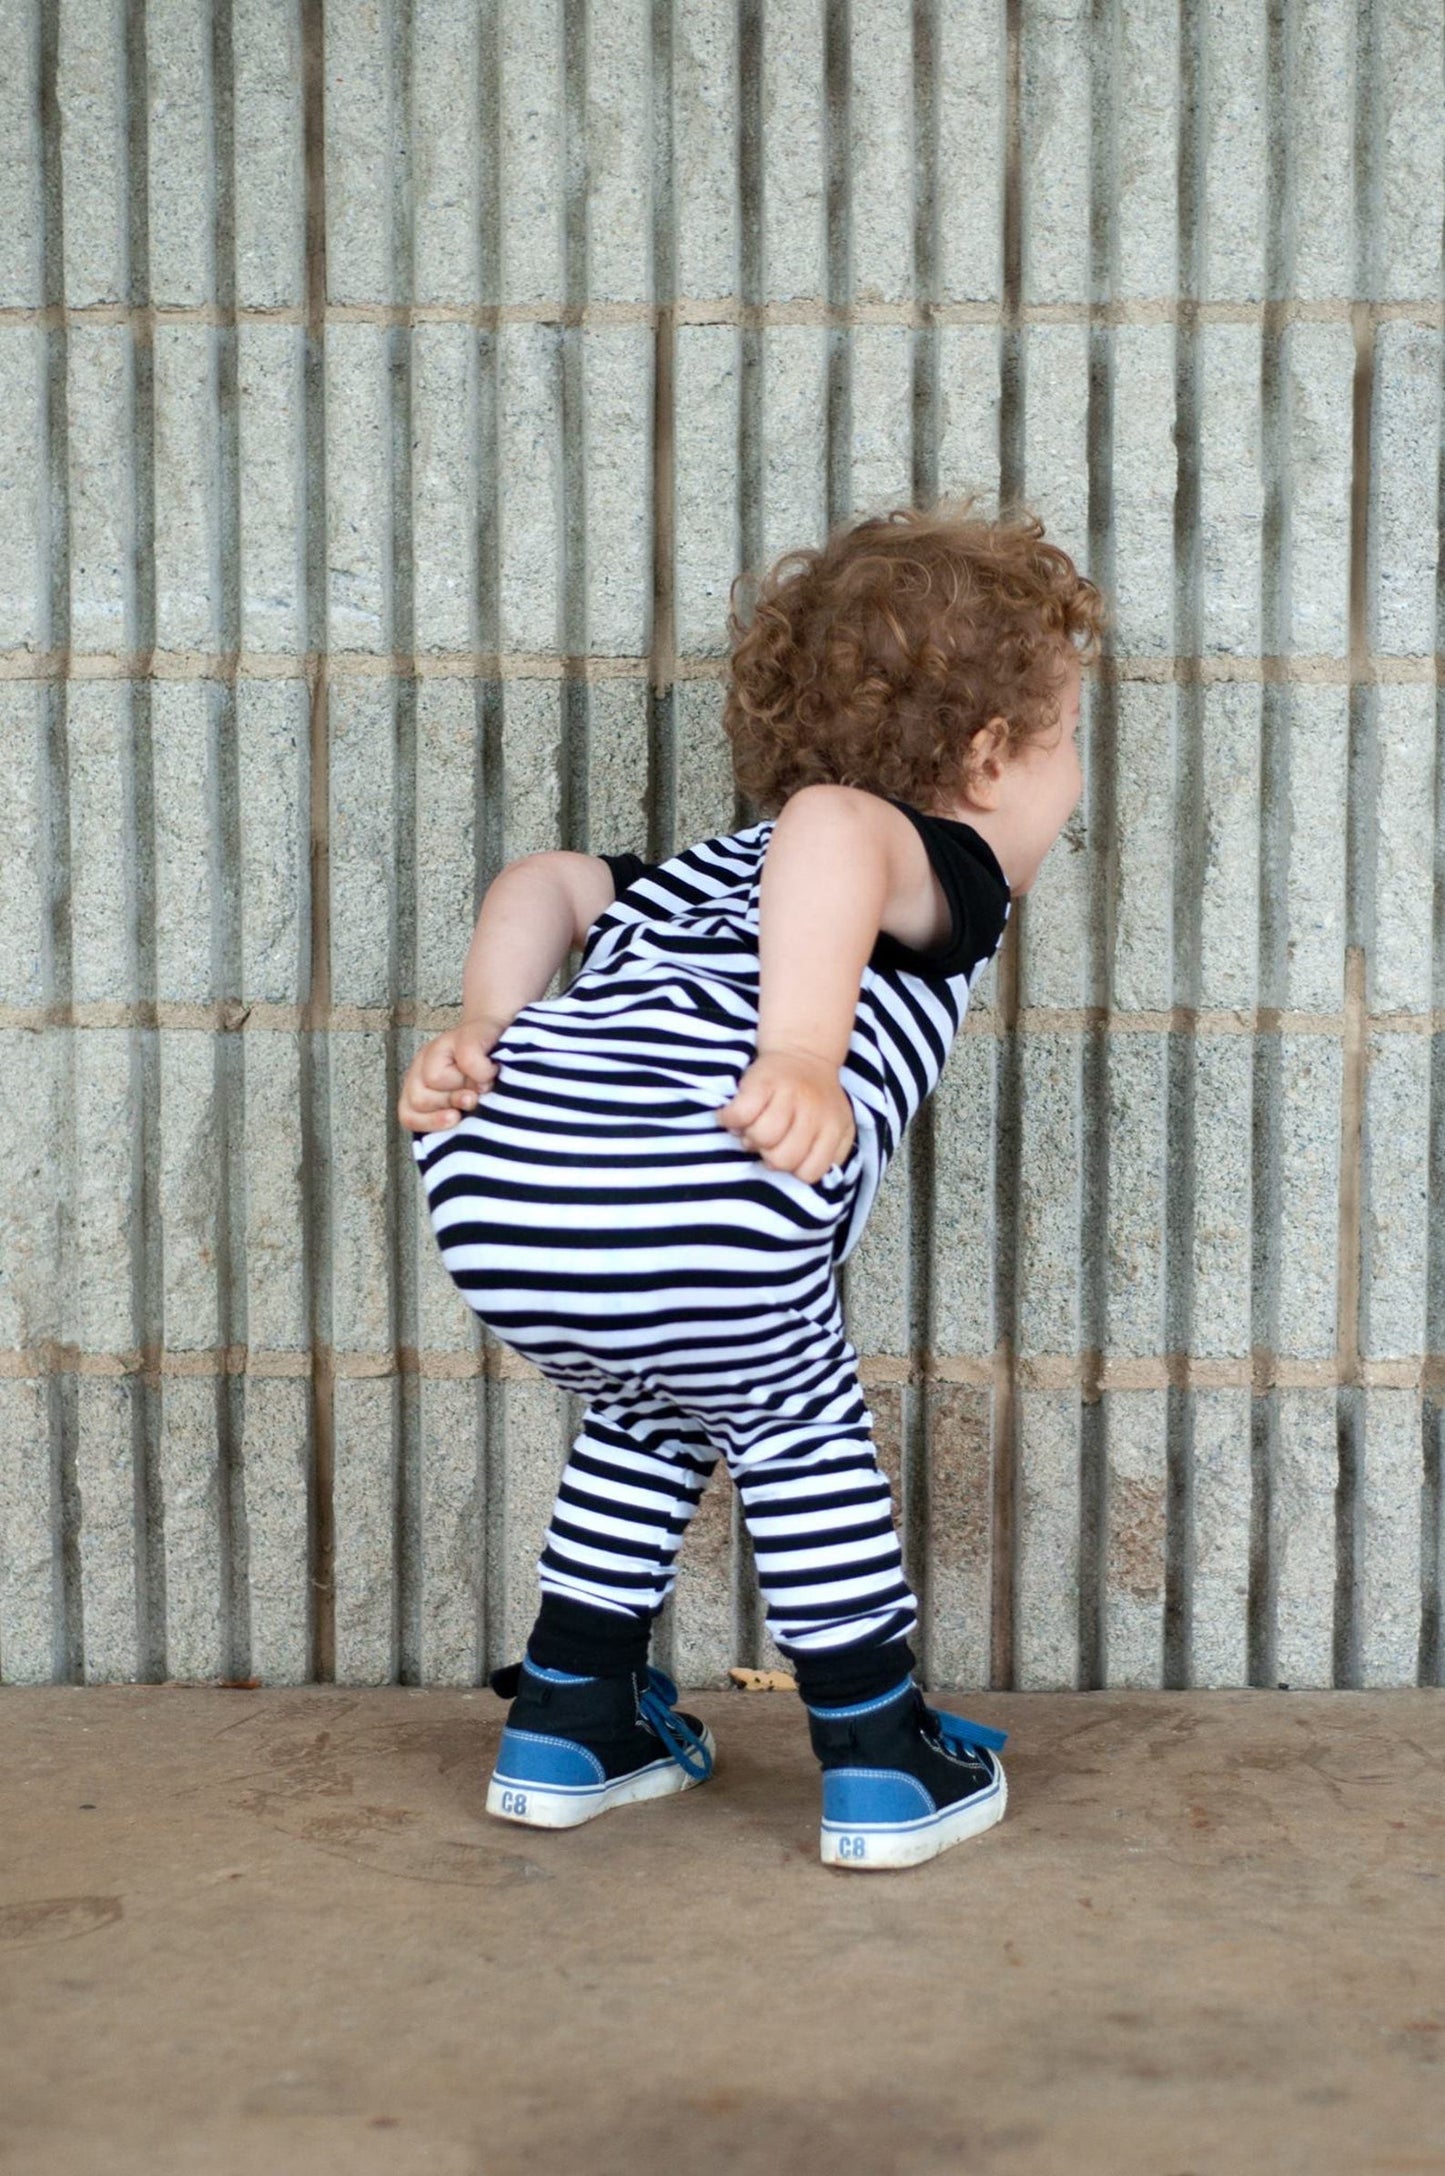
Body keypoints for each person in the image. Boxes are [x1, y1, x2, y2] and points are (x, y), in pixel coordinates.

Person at [400, 497, 1107, 1870]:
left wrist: (484, 1025)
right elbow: (835, 823)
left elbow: (543, 880)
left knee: (649, 1409)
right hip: (699, 1180)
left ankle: (569, 1720)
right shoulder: (921, 856)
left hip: (500, 1187)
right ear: (985, 759)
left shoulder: (694, 881)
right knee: (792, 1417)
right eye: (1066, 739)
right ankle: (879, 1756)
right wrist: (798, 1051)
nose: (1073, 780)